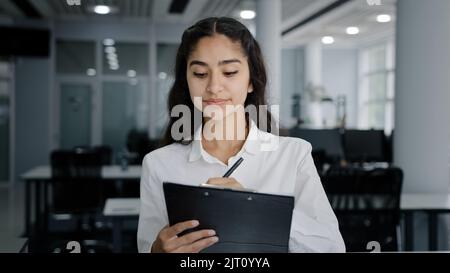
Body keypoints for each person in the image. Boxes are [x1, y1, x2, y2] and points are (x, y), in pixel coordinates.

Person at [137, 17, 345, 253]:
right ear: (187, 80)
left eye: (229, 71)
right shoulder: (158, 164)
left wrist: (254, 211)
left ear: (251, 81)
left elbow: (331, 248)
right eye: (200, 73)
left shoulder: (294, 155)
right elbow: (147, 247)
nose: (214, 86)